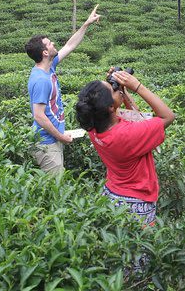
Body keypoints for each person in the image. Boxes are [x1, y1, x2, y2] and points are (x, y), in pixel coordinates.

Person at [74, 69, 175, 226]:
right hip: (136, 202)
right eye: (113, 89)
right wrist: (137, 86)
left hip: (113, 194)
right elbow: (168, 116)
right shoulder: (126, 135)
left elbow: (137, 120)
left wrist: (122, 92)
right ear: (109, 107)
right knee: (140, 249)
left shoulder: (94, 126)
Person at [25, 5, 101, 173]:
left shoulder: (49, 67)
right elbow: (38, 115)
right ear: (45, 52)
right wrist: (60, 137)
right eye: (49, 44)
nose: (53, 44)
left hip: (52, 139)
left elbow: (70, 45)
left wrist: (86, 24)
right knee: (54, 190)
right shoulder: (41, 80)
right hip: (46, 144)